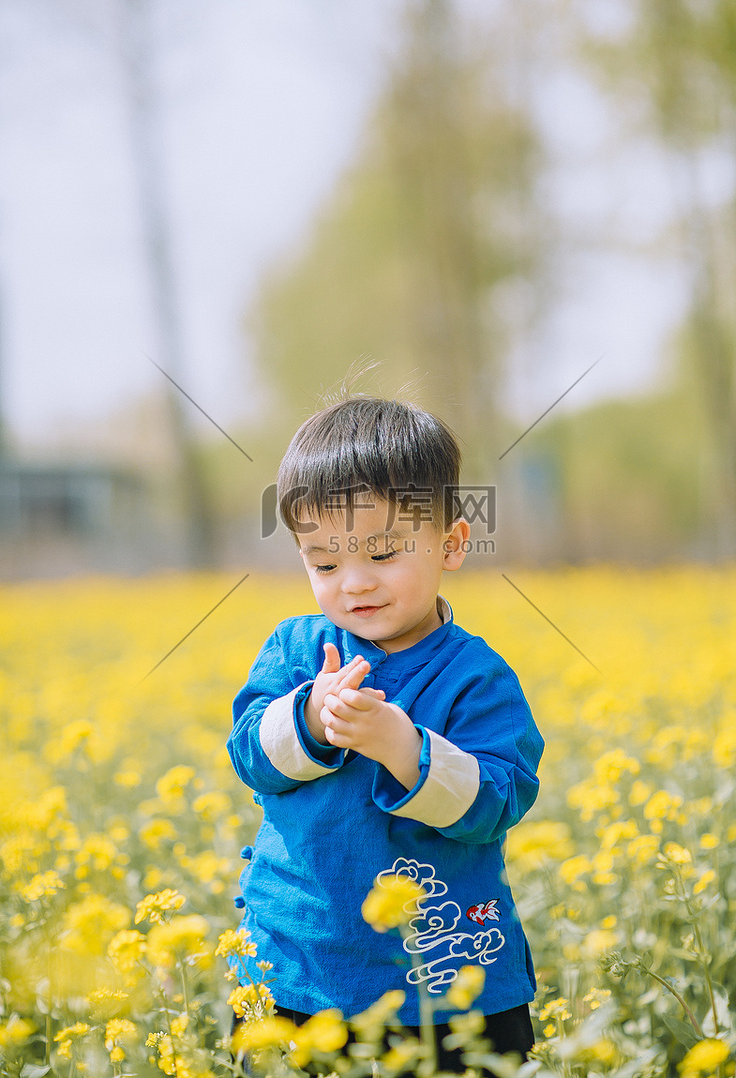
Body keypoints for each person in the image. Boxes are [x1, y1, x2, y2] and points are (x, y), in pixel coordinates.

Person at [227, 396, 544, 1065]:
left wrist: (405, 748)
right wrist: (309, 718)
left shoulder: (476, 677)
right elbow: (250, 752)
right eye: (325, 563)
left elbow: (497, 800)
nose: (355, 583)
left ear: (452, 544)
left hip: (446, 983)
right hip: (295, 967)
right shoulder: (294, 651)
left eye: (382, 552)